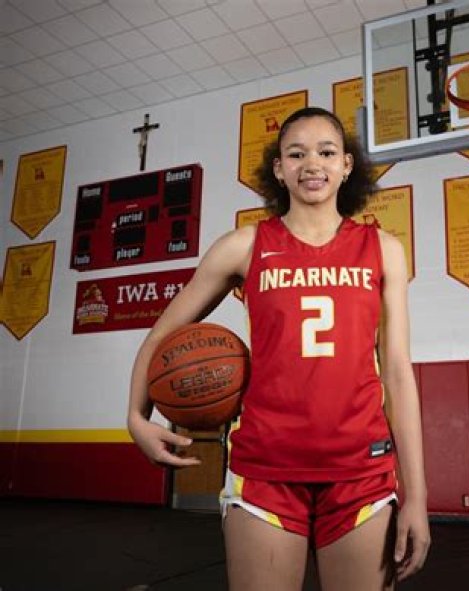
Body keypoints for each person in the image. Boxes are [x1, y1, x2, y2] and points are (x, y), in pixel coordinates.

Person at [127, 106, 430, 590]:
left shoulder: (383, 249)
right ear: (278, 168)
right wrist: (135, 416)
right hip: (264, 469)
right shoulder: (244, 247)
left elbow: (396, 373)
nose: (312, 164)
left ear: (346, 165)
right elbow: (161, 335)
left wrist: (417, 496)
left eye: (326, 152)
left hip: (361, 469)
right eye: (296, 154)